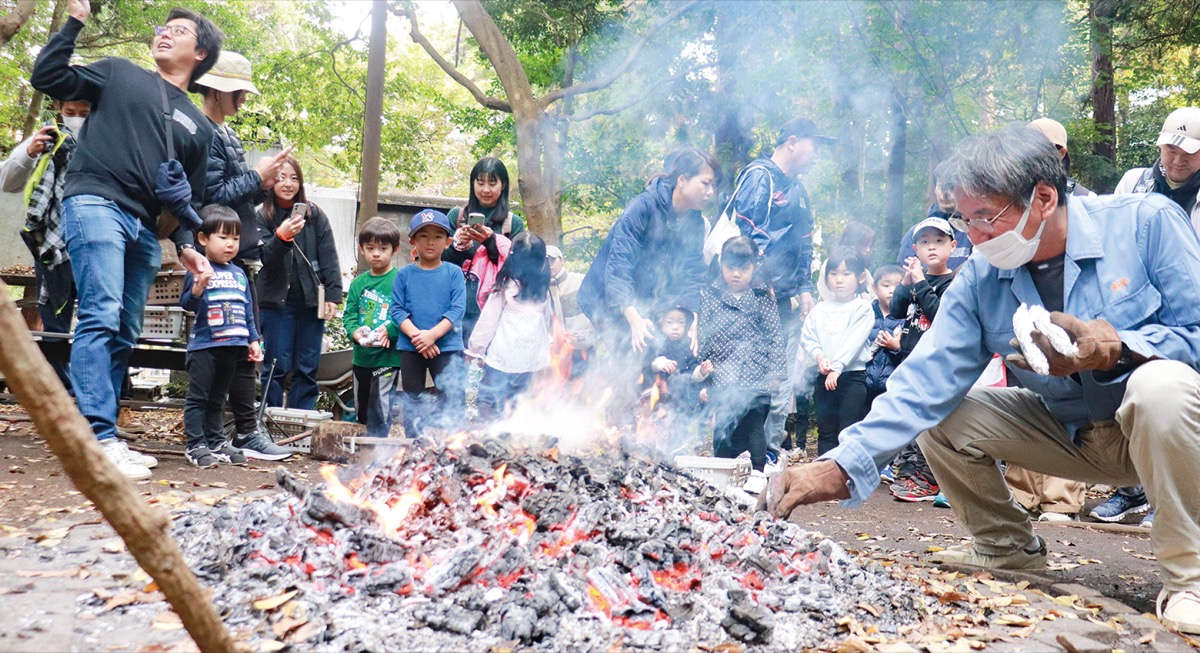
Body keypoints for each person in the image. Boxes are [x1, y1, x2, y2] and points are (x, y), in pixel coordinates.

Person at [769, 124, 1200, 636]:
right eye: (963, 219)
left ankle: (1190, 577)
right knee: (942, 410)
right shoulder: (981, 276)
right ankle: (1006, 547)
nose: (972, 237)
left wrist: (1119, 348)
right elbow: (924, 380)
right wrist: (841, 465)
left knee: (1160, 387)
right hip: (1069, 433)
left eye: (985, 218)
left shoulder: (1145, 223)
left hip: (1166, 429)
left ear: (1043, 197)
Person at [30, 1, 222, 479]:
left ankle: (105, 433)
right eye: (164, 28)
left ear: (200, 53)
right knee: (100, 309)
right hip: (94, 200)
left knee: (124, 326)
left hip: (141, 227)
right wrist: (74, 20)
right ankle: (97, 436)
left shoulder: (200, 127)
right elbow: (48, 76)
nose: (164, 34)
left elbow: (185, 204)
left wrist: (188, 246)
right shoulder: (118, 74)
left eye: (178, 31)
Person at [1089, 107, 1200, 529]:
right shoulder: (1134, 181)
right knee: (1123, 389)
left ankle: (1168, 500)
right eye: (1171, 148)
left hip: (1185, 302)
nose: (1178, 159)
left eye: (1189, 152)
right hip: (1132, 296)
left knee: (1168, 394)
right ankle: (1130, 490)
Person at [196, 49, 294, 459]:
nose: (244, 100)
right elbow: (211, 198)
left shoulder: (229, 135)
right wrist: (257, 176)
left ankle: (242, 432)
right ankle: (212, 435)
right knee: (220, 352)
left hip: (240, 255)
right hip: (214, 257)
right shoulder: (200, 132)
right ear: (220, 90)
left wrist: (263, 181)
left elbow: (240, 195)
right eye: (239, 92)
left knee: (245, 347)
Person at [578, 148, 719, 424]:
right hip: (606, 299)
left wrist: (694, 317)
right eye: (705, 183)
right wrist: (632, 317)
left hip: (646, 301)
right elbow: (619, 266)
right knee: (628, 360)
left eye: (713, 185)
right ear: (682, 180)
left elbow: (692, 272)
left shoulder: (693, 220)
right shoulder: (643, 207)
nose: (710, 191)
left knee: (648, 359)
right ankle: (617, 432)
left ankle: (644, 431)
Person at [722, 117, 830, 464]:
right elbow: (749, 234)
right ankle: (737, 446)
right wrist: (760, 281)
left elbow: (803, 242)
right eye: (815, 145)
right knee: (747, 369)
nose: (817, 156)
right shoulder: (761, 176)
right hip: (753, 296)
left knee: (783, 374)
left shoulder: (798, 190)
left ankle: (769, 447)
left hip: (784, 298)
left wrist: (804, 287)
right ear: (793, 142)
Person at [1002, 117, 1094, 522]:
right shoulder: (1009, 195)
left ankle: (1061, 497)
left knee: (1069, 396)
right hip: (1024, 304)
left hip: (1071, 308)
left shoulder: (1084, 199)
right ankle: (1021, 492)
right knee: (1031, 394)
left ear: (1060, 152)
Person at [1, 99, 91, 392]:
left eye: (84, 114)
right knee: (55, 320)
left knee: (99, 320)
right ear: (59, 109)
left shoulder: (107, 139)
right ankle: (60, 391)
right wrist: (29, 153)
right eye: (70, 113)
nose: (76, 119)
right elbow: (9, 182)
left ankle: (97, 394)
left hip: (94, 241)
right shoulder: (48, 137)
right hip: (52, 246)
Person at [695, 236, 787, 495]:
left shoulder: (761, 296)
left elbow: (775, 336)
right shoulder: (710, 295)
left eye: (743, 269)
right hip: (723, 374)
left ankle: (758, 471)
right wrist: (702, 373)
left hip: (756, 371)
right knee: (723, 424)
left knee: (755, 423)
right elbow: (704, 334)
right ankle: (722, 472)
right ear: (721, 265)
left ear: (754, 267)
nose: (736, 274)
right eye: (730, 268)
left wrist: (776, 373)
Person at [256, 156, 343, 410]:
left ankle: (300, 421)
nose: (288, 183)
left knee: (307, 366)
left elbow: (329, 257)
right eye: (281, 177)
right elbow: (265, 260)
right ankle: (268, 420)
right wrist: (281, 237)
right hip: (275, 304)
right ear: (271, 181)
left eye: (294, 178)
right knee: (276, 365)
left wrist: (333, 296)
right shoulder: (262, 217)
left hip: (309, 303)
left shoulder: (314, 215)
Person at [180, 206, 260, 467]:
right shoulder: (197, 269)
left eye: (235, 239)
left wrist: (253, 339)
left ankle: (215, 441)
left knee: (218, 398)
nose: (230, 244)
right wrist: (198, 287)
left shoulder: (239, 273)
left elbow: (248, 309)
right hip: (205, 346)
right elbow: (187, 306)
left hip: (233, 347)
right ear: (203, 239)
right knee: (198, 398)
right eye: (223, 237)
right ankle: (195, 444)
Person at [887, 216, 957, 501]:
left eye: (939, 241)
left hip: (936, 364)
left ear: (952, 246)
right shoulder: (916, 280)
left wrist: (920, 284)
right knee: (910, 418)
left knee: (932, 422)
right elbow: (896, 310)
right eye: (925, 242)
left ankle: (929, 480)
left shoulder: (954, 282)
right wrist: (906, 283)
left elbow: (940, 315)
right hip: (909, 359)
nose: (932, 248)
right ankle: (910, 471)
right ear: (915, 249)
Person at [390, 209, 466, 438]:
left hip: (448, 345)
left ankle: (449, 444)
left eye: (437, 236)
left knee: (450, 395)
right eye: (423, 236)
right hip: (411, 347)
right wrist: (419, 337)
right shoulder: (403, 275)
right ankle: (413, 444)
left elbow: (457, 309)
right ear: (412, 241)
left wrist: (432, 336)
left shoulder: (454, 273)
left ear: (448, 242)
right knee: (412, 397)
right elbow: (396, 309)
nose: (430, 242)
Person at [468, 232, 554, 420]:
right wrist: (549, 346)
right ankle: (513, 438)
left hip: (503, 357)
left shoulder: (505, 288)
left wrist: (476, 350)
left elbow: (488, 322)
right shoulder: (543, 292)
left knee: (490, 399)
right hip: (531, 359)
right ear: (542, 262)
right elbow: (547, 324)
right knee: (519, 401)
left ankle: (492, 435)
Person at [800, 248, 873, 456]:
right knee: (826, 431)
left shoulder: (862, 307)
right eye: (834, 274)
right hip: (824, 377)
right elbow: (808, 336)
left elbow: (854, 341)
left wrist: (837, 367)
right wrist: (819, 357)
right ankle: (824, 477)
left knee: (848, 432)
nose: (839, 280)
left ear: (860, 278)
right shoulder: (820, 309)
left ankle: (845, 480)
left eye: (846, 274)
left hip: (852, 379)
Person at [443, 157, 524, 340]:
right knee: (453, 367)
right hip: (455, 307)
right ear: (473, 184)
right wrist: (457, 248)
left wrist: (490, 243)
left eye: (492, 183)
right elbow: (440, 263)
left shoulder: (512, 224)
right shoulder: (457, 216)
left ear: (503, 186)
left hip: (495, 310)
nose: (485, 189)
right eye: (480, 183)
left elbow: (518, 269)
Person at [344, 217, 403, 438]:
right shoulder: (358, 283)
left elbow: (405, 313)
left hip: (387, 357)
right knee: (363, 406)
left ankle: (379, 448)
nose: (376, 253)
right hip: (362, 356)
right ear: (362, 249)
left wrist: (392, 331)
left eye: (382, 248)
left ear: (394, 249)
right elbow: (349, 315)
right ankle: (363, 451)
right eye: (370, 248)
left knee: (382, 404)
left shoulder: (400, 279)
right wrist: (355, 332)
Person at [864, 264, 904, 484]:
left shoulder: (906, 316)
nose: (891, 290)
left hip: (892, 381)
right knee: (867, 422)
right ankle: (869, 464)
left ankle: (890, 465)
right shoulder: (864, 313)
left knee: (889, 424)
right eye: (885, 285)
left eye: (897, 286)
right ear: (874, 288)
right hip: (866, 379)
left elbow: (910, 352)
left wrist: (896, 346)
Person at [897, 166, 973, 271]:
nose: (944, 194)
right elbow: (902, 277)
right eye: (941, 186)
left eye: (951, 187)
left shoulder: (976, 229)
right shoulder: (916, 233)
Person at [547, 245, 594, 379]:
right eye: (545, 261)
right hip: (558, 352)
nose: (549, 265)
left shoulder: (580, 280)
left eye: (552, 260)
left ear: (562, 260)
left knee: (590, 383)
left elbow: (596, 308)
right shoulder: (541, 289)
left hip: (584, 345)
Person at [817, 222, 876, 301]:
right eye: (864, 245)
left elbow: (873, 295)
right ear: (854, 242)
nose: (868, 250)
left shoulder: (864, 271)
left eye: (870, 246)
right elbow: (826, 294)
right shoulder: (831, 264)